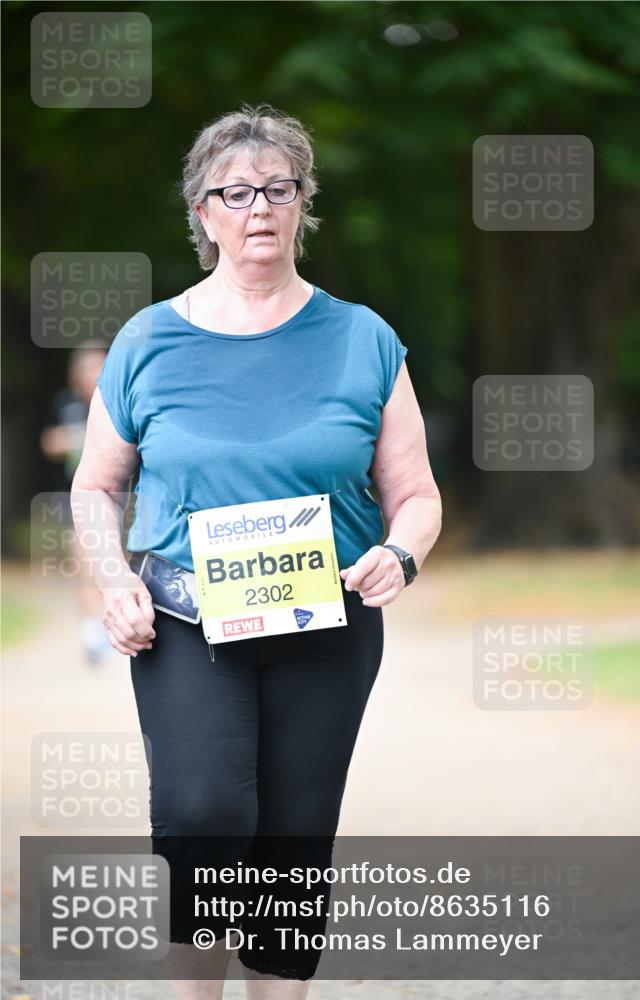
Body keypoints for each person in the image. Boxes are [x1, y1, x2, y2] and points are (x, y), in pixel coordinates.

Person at [71, 103, 442, 998]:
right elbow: (94, 486)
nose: (258, 208)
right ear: (203, 213)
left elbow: (417, 495)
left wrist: (400, 553)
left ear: (302, 202)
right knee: (203, 814)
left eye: (278, 189)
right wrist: (112, 580)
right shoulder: (147, 340)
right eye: (235, 193)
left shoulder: (362, 338)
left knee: (293, 839)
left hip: (327, 618)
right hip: (186, 619)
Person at [40, 341, 113, 664]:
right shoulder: (64, 404)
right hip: (74, 498)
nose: (91, 375)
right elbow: (49, 443)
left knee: (113, 563)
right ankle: (92, 630)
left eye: (98, 367)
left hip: (117, 497)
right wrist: (78, 439)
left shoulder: (117, 400)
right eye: (86, 368)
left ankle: (113, 618)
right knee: (86, 564)